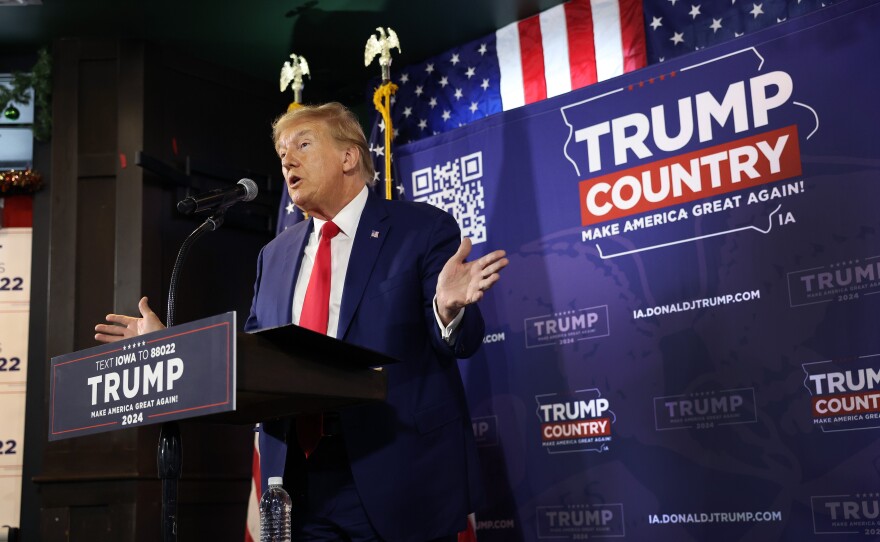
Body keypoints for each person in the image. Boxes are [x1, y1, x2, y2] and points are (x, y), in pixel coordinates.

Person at [95, 102, 508, 542]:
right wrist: (171, 347)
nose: (287, 160)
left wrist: (448, 310)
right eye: (281, 153)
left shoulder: (420, 230)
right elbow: (253, 359)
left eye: (303, 145)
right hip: (297, 480)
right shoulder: (274, 256)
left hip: (400, 472)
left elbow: (461, 343)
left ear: (349, 157)